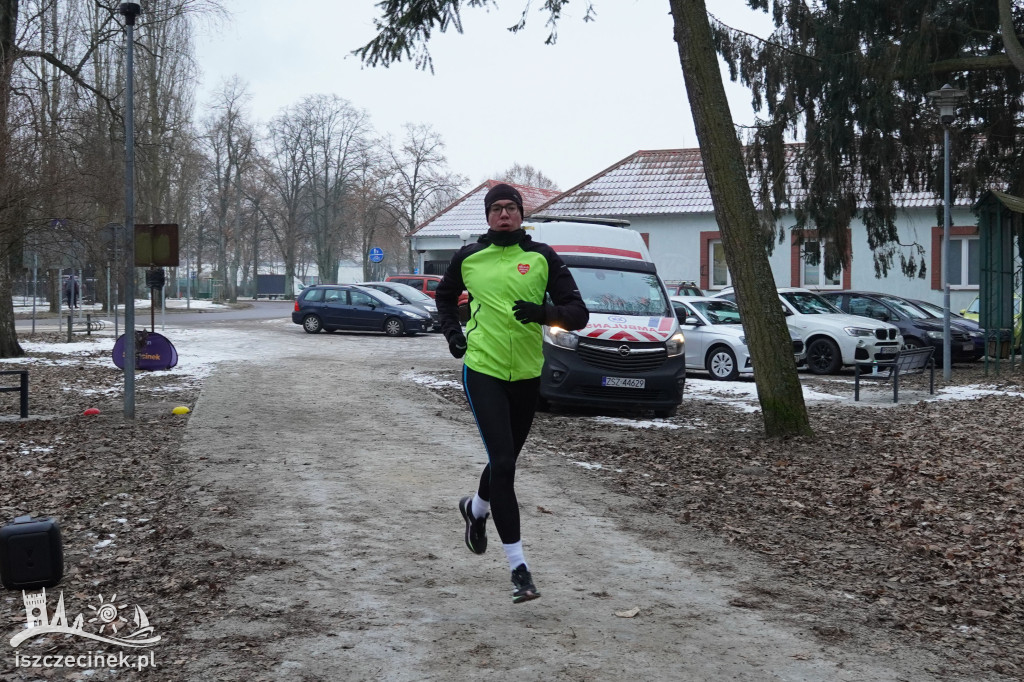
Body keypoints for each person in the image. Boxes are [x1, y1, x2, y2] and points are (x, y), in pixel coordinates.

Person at [435, 183, 589, 604]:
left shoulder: (542, 257)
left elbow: (579, 313)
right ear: (487, 216)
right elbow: (444, 298)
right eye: (497, 208)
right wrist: (454, 334)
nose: (504, 214)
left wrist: (544, 313)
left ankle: (476, 509)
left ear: (522, 214)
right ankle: (519, 569)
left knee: (505, 462)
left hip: (526, 374)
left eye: (511, 208)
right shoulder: (468, 257)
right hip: (482, 369)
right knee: (503, 462)